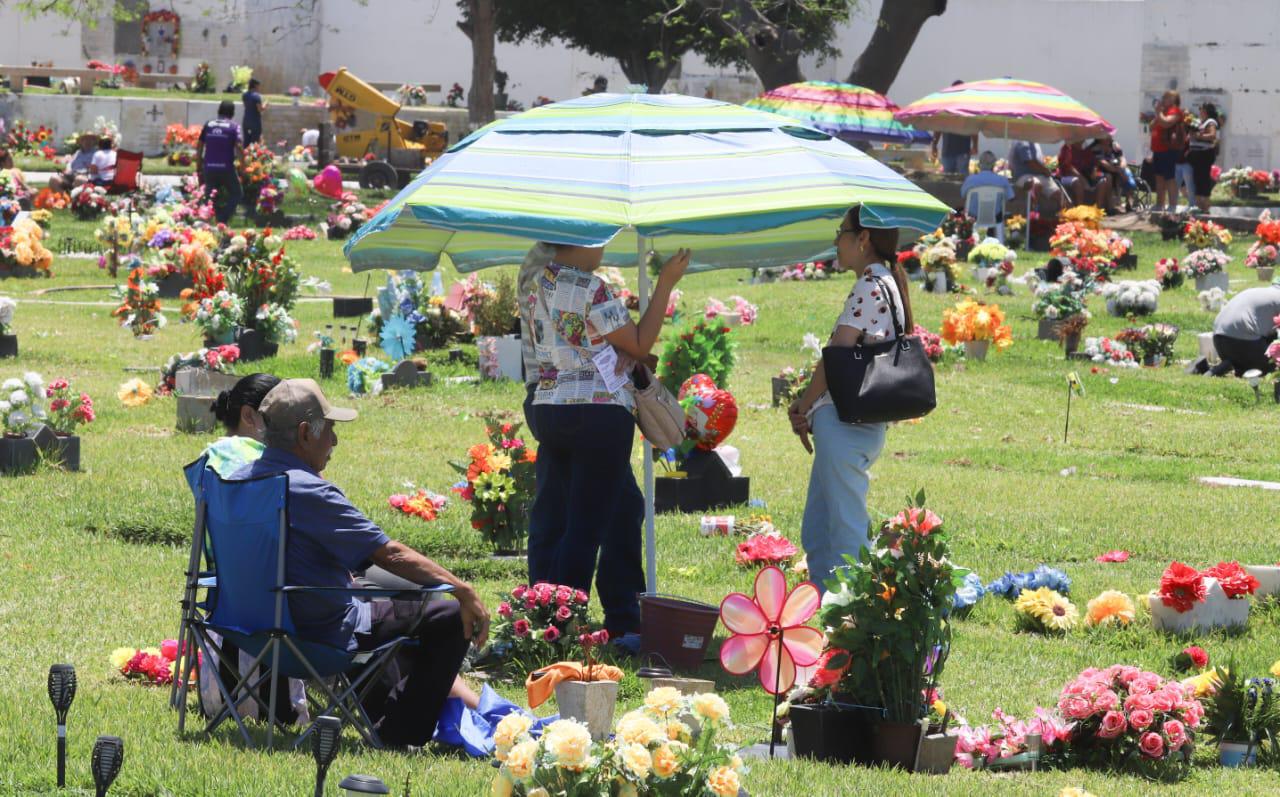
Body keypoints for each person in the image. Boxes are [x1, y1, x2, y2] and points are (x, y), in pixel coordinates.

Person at [232, 378, 489, 747]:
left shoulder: (233, 481)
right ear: (305, 433)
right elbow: (391, 554)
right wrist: (462, 589)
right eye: (330, 430)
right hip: (312, 635)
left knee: (379, 594)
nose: (334, 441)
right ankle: (400, 731)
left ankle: (387, 707)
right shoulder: (308, 489)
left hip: (245, 628)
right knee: (446, 615)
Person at [526, 244, 690, 638]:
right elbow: (640, 342)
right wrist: (665, 282)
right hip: (598, 410)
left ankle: (544, 613)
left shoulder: (538, 281)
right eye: (598, 239)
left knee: (585, 510)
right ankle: (560, 626)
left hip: (550, 405)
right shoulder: (591, 287)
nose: (603, 247)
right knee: (586, 524)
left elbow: (579, 342)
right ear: (580, 241)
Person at [788, 207, 913, 591]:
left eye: (842, 232)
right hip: (855, 424)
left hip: (844, 424)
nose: (836, 240)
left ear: (863, 239)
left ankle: (851, 615)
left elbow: (836, 355)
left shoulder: (870, 285)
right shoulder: (888, 282)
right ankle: (829, 612)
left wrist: (802, 405)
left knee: (843, 529)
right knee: (821, 526)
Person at [1196, 285, 1280, 377]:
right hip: (1242, 342)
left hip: (1219, 340)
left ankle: (1233, 363)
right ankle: (1244, 364)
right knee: (1272, 365)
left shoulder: (1261, 291)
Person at [198, 100, 244, 224]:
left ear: (219, 111)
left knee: (209, 196)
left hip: (209, 167)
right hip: (226, 168)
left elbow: (200, 145)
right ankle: (222, 217)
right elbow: (239, 147)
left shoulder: (209, 124)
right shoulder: (234, 127)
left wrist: (198, 165)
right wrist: (243, 166)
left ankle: (205, 219)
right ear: (232, 113)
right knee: (236, 193)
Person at [930, 81, 977, 175]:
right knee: (948, 177)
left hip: (962, 150)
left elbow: (973, 128)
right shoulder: (945, 107)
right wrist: (934, 144)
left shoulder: (967, 107)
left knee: (960, 176)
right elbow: (938, 127)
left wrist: (975, 145)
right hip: (949, 150)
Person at [1149, 90, 1185, 213]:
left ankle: (1173, 205)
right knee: (1159, 177)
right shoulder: (1163, 112)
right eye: (1163, 97)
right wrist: (1158, 113)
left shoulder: (1175, 111)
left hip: (1169, 150)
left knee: (1170, 177)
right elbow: (1151, 126)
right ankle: (1160, 204)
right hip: (1158, 150)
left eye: (1166, 97)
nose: (1163, 99)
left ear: (1174, 100)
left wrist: (1159, 112)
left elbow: (1166, 123)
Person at [1009, 139, 1065, 213]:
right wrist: (1045, 170)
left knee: (1058, 194)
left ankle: (1060, 216)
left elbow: (1038, 161)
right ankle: (1034, 213)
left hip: (1039, 175)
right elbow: (1030, 162)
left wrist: (1046, 169)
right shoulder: (1022, 141)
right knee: (1036, 184)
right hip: (1023, 175)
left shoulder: (1034, 141)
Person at [960, 151, 1013, 227]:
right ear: (993, 165)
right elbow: (1011, 198)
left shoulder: (970, 180)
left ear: (979, 164)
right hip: (996, 217)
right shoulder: (1002, 180)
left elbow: (963, 195)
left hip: (973, 218)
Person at [1057, 140, 1112, 212]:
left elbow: (1094, 163)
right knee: (1077, 181)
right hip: (1067, 176)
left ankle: (1098, 211)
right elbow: (1068, 167)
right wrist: (1082, 179)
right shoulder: (1067, 148)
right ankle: (1080, 211)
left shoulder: (1085, 150)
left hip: (1085, 177)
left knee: (1103, 181)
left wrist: (1094, 171)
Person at [1187, 103, 1221, 213]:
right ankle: (1199, 208)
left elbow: (1212, 135)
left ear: (1206, 111)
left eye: (1201, 109)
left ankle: (1205, 209)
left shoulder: (1210, 122)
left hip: (1204, 155)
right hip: (1196, 155)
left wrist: (1198, 136)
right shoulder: (1200, 122)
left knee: (1203, 182)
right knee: (1197, 182)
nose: (1199, 111)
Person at [1090, 136, 1133, 213]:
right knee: (1108, 177)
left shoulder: (1115, 146)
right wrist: (1116, 170)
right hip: (1098, 171)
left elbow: (1122, 158)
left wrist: (1122, 167)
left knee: (1127, 173)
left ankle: (1129, 203)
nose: (1109, 137)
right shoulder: (1095, 148)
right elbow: (1102, 162)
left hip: (1114, 170)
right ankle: (1110, 207)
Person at [242, 78, 266, 146]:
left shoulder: (245, 95)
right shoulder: (256, 96)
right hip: (255, 122)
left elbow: (245, 105)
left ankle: (245, 155)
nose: (259, 87)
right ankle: (253, 156)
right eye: (258, 86)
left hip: (246, 121)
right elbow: (260, 109)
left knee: (246, 141)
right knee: (255, 142)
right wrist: (265, 104)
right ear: (255, 85)